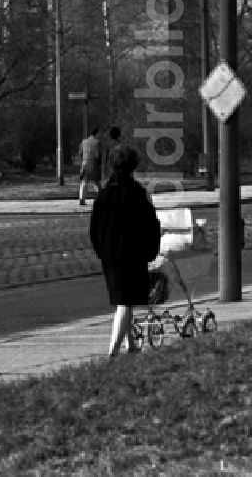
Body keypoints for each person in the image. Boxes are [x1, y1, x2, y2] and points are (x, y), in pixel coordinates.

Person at [89, 145, 162, 357]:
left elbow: (94, 228)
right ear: (133, 167)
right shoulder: (139, 194)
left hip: (110, 255)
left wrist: (101, 250)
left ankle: (131, 344)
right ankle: (113, 352)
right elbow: (151, 225)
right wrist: (151, 251)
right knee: (125, 301)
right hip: (134, 254)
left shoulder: (103, 195)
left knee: (124, 299)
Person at [77, 127, 103, 205]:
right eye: (99, 133)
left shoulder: (84, 141)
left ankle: (82, 199)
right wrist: (100, 163)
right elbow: (98, 155)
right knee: (97, 183)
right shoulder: (97, 142)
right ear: (96, 133)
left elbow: (80, 153)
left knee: (84, 182)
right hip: (94, 164)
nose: (100, 135)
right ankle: (101, 199)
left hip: (85, 164)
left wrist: (82, 162)